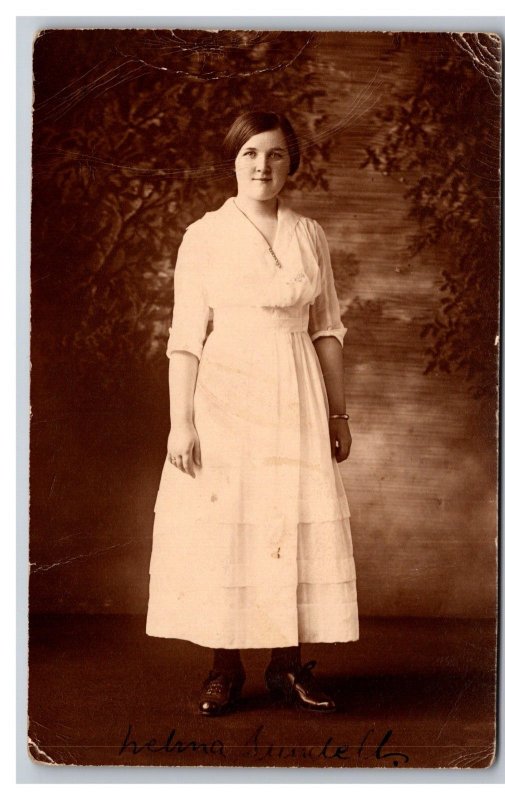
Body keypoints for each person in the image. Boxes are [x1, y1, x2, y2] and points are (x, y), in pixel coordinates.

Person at [146, 110, 359, 715]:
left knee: (287, 517)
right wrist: (180, 421)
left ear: (291, 164)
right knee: (229, 523)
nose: (262, 166)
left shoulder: (310, 234)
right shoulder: (204, 235)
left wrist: (338, 415)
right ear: (233, 160)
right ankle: (224, 669)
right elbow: (185, 337)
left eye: (274, 155)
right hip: (225, 397)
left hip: (295, 392)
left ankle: (286, 667)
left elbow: (328, 330)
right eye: (250, 155)